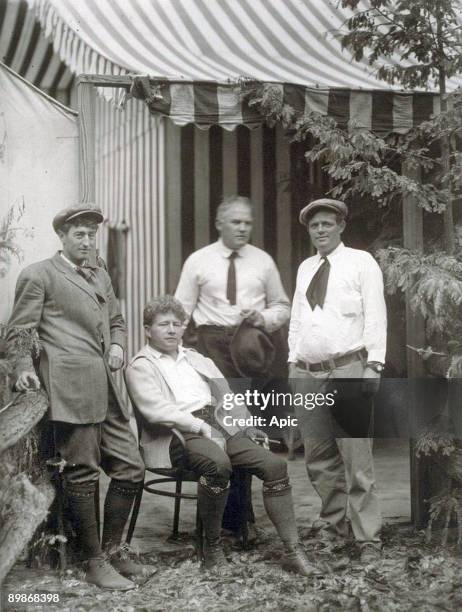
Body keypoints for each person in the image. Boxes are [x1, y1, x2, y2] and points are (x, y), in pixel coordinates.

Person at [7, 205, 152, 590]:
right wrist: (22, 367)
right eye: (79, 235)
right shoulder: (39, 275)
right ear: (62, 236)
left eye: (91, 234)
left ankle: (115, 550)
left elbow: (117, 322)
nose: (87, 242)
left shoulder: (99, 272)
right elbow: (19, 332)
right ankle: (93, 562)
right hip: (68, 388)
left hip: (105, 387)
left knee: (130, 467)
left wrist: (119, 346)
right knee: (83, 471)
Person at [125, 295, 320, 577]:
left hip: (218, 426)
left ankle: (293, 550)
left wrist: (246, 425)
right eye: (162, 324)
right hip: (175, 436)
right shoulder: (141, 365)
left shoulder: (197, 359)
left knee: (275, 466)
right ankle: (211, 548)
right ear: (147, 330)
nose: (171, 330)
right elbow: (156, 410)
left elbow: (228, 397)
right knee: (218, 465)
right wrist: (196, 426)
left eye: (176, 324)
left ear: (183, 328)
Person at [175, 195, 291, 534]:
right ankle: (231, 520)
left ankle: (241, 521)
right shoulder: (198, 261)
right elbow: (181, 311)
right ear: (219, 224)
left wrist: (263, 317)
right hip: (211, 347)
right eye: (236, 222)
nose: (243, 228)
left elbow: (282, 307)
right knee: (220, 429)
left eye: (247, 222)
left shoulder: (263, 261)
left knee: (244, 430)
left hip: (249, 347)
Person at [288, 198, 387, 563]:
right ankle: (334, 527)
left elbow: (376, 313)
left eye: (327, 223)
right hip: (307, 373)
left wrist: (374, 363)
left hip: (348, 369)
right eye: (314, 225)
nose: (321, 230)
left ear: (341, 225)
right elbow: (298, 319)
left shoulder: (361, 262)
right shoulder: (305, 268)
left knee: (357, 458)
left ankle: (368, 540)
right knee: (318, 457)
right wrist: (291, 363)